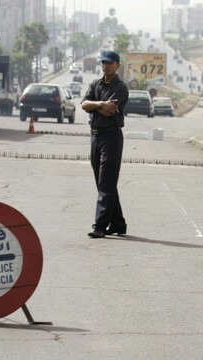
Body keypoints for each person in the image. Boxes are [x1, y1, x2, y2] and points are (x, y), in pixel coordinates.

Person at [81, 50, 129, 238]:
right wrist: (100, 103)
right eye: (103, 62)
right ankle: (118, 223)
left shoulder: (121, 87)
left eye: (109, 63)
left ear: (117, 65)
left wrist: (95, 105)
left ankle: (100, 226)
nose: (105, 66)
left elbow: (110, 111)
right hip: (96, 136)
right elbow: (84, 105)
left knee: (106, 183)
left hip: (111, 137)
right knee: (103, 183)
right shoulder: (96, 84)